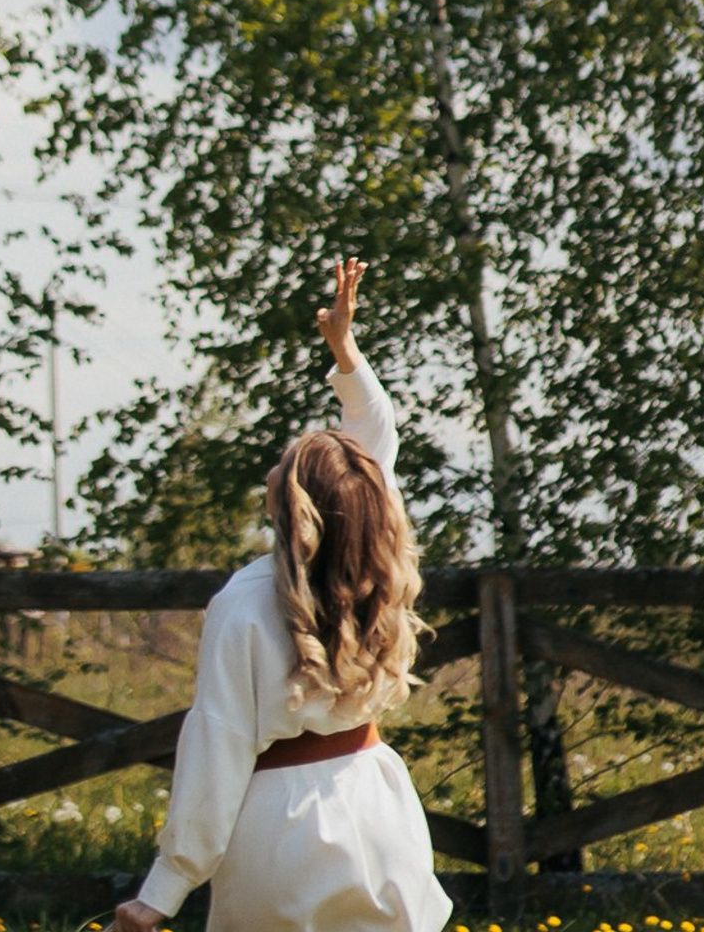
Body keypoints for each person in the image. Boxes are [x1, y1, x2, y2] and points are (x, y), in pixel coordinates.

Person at [113, 258, 452, 932]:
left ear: (292, 505)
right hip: (377, 814)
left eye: (285, 464)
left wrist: (163, 888)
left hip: (282, 835)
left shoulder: (244, 602)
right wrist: (346, 354)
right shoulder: (373, 571)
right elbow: (373, 451)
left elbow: (218, 746)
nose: (276, 466)